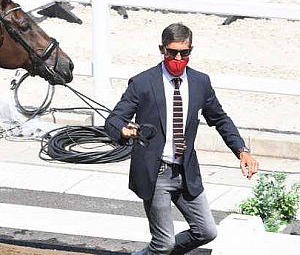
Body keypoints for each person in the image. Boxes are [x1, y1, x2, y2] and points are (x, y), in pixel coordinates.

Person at [104, 23, 259, 255]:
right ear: (162, 49)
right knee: (163, 243)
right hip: (155, 173)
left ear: (190, 51)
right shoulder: (142, 83)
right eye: (172, 52)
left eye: (183, 53)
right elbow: (113, 119)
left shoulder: (200, 83)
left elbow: (220, 119)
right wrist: (123, 131)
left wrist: (242, 150)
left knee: (206, 231)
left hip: (186, 172)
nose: (178, 58)